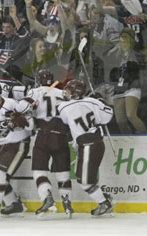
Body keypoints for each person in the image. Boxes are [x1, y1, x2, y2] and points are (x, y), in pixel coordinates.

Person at [57, 79, 114, 216]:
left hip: (88, 144)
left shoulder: (64, 107)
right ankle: (104, 198)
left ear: (75, 92)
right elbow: (107, 116)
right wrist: (99, 100)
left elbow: (65, 119)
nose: (67, 92)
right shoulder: (93, 102)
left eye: (69, 90)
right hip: (95, 142)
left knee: (84, 181)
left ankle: (104, 203)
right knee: (85, 178)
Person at [0, 80, 34, 216]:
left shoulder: (11, 104)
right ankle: (13, 204)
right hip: (3, 144)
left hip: (19, 144)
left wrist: (21, 122)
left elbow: (31, 124)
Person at [27, 69, 74, 216]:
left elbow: (25, 112)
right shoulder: (63, 93)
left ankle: (47, 196)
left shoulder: (34, 92)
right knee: (63, 172)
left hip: (44, 135)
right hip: (62, 135)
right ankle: (67, 203)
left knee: (39, 170)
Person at [107, 28, 147, 134]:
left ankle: (146, 137)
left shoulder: (136, 53)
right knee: (120, 121)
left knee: (131, 115)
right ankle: (128, 139)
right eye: (121, 41)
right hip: (119, 88)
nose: (123, 43)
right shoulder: (116, 55)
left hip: (132, 86)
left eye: (125, 41)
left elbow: (141, 68)